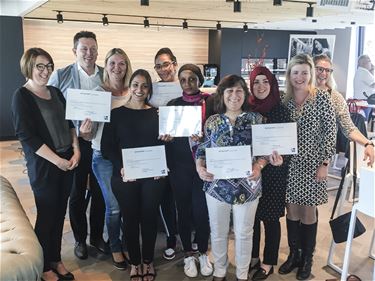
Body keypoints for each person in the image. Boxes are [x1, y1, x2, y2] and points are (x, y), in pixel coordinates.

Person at [196, 74, 283, 281]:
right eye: (229, 91)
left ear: (245, 94)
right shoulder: (212, 122)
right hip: (216, 188)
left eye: (239, 91)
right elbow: (202, 149)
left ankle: (242, 274)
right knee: (218, 232)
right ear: (222, 94)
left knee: (245, 233)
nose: (234, 95)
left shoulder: (257, 120)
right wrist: (199, 167)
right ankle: (220, 271)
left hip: (248, 186)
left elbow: (265, 152)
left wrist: (260, 164)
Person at [12, 47, 80, 281]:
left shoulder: (55, 91)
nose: (45, 71)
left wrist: (77, 150)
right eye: (40, 66)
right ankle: (43, 267)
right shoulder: (22, 96)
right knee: (46, 216)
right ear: (29, 67)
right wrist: (57, 160)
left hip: (67, 161)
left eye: (49, 66)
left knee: (60, 214)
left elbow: (70, 122)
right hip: (45, 166)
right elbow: (27, 136)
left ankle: (56, 258)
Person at [101, 69, 166, 281]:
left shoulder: (156, 114)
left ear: (149, 89)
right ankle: (135, 263)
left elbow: (163, 146)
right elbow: (106, 148)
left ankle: (148, 261)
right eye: (136, 85)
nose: (140, 90)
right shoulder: (117, 114)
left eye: (145, 86)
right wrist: (120, 166)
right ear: (130, 86)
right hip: (125, 175)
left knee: (149, 218)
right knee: (129, 219)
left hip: (153, 177)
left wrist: (160, 166)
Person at [48, 30, 108, 259]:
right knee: (77, 194)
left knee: (101, 192)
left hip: (101, 143)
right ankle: (81, 239)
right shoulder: (61, 75)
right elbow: (54, 111)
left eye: (93, 49)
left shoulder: (105, 74)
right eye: (84, 48)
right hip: (75, 145)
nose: (89, 53)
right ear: (75, 51)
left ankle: (97, 237)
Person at [278, 54, 336, 280]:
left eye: (304, 72)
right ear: (289, 75)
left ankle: (307, 260)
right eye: (295, 72)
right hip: (290, 166)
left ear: (311, 74)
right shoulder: (285, 100)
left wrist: (324, 163)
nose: (299, 77)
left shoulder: (321, 97)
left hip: (313, 165)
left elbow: (330, 133)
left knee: (308, 211)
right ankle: (295, 255)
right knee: (292, 210)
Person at [80, 48, 133, 270]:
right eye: (112, 63)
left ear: (127, 66)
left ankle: (127, 242)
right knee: (114, 207)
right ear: (106, 65)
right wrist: (85, 131)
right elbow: (89, 134)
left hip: (129, 156)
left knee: (128, 205)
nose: (117, 68)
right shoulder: (97, 92)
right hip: (103, 157)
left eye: (122, 63)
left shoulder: (133, 91)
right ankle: (115, 246)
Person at [164, 64, 213, 278]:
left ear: (199, 80)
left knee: (202, 212)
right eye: (183, 80)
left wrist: (204, 137)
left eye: (192, 79)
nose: (187, 83)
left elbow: (219, 133)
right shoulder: (172, 105)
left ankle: (202, 251)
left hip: (205, 167)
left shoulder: (211, 103)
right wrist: (167, 137)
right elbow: (166, 141)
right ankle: (187, 254)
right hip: (180, 167)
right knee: (182, 211)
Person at [248, 66, 292, 280]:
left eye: (265, 81)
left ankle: (268, 261)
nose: (261, 86)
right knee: (253, 218)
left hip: (275, 172)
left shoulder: (281, 111)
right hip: (251, 173)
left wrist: (282, 160)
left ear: (272, 84)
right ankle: (253, 257)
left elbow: (291, 146)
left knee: (271, 219)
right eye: (256, 81)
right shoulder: (248, 109)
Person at [313, 54, 374, 167]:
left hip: (320, 156)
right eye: (320, 69)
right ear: (311, 69)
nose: (324, 73)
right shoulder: (301, 93)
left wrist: (368, 143)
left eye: (328, 70)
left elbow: (349, 127)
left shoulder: (335, 97)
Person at [150, 47, 179, 260]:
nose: (162, 69)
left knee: (184, 196)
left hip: (182, 151)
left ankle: (190, 237)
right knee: (165, 197)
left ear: (174, 64)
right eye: (158, 66)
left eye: (166, 64)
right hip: (159, 150)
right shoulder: (151, 90)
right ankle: (170, 237)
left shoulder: (184, 87)